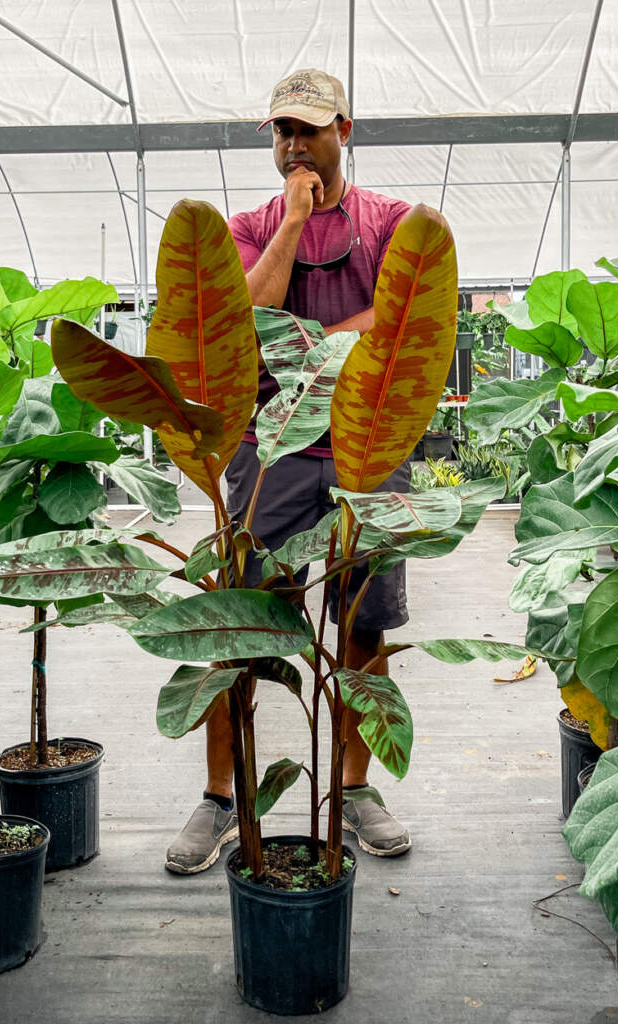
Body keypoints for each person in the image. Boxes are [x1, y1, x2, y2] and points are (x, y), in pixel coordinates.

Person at [165, 68, 413, 874]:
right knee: (239, 623)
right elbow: (242, 319)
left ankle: (354, 789)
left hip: (366, 447)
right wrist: (294, 219)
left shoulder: (389, 222)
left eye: (309, 128)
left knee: (362, 624)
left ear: (345, 129)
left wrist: (310, 348)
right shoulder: (249, 226)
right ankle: (219, 796)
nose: (294, 143)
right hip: (268, 451)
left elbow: (399, 316)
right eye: (282, 130)